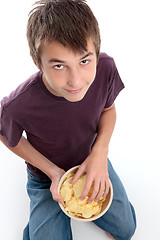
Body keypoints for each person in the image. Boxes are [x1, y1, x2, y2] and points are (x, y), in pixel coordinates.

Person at [0, 0, 136, 239]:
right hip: (45, 177)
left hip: (90, 160)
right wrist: (53, 172)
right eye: (60, 65)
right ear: (38, 63)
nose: (76, 81)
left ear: (96, 52)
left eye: (84, 61)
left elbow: (108, 109)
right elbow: (4, 133)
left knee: (127, 229)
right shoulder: (19, 103)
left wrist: (100, 152)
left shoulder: (106, 68)